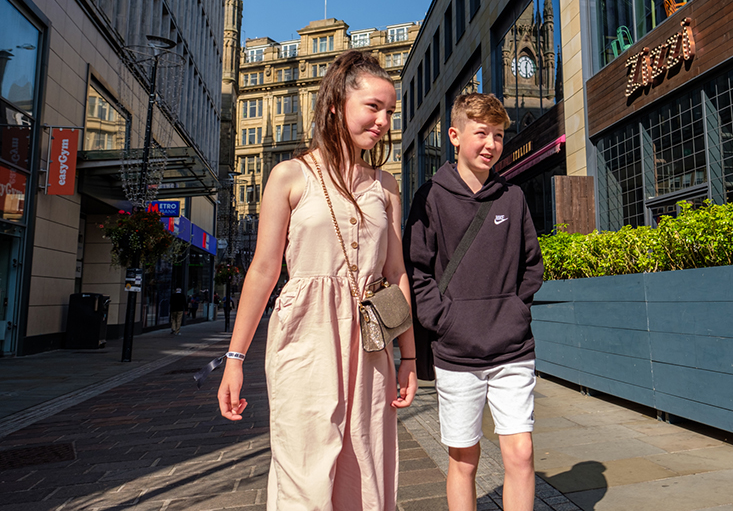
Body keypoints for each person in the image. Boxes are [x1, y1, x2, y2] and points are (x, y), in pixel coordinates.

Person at [217, 50, 418, 511]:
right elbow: (264, 271)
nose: (384, 120)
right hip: (304, 336)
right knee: (304, 470)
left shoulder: (385, 187)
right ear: (335, 105)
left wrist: (408, 355)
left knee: (365, 466)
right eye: (373, 107)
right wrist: (234, 358)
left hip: (369, 342)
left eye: (390, 111)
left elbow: (395, 274)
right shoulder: (289, 176)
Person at [404, 93, 543, 511]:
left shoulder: (512, 196)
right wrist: (446, 321)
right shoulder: (430, 197)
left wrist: (514, 313)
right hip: (457, 353)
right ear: (455, 136)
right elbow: (417, 271)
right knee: (464, 460)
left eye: (498, 135)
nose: (491, 144)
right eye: (481, 133)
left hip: (512, 348)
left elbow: (531, 265)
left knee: (520, 454)